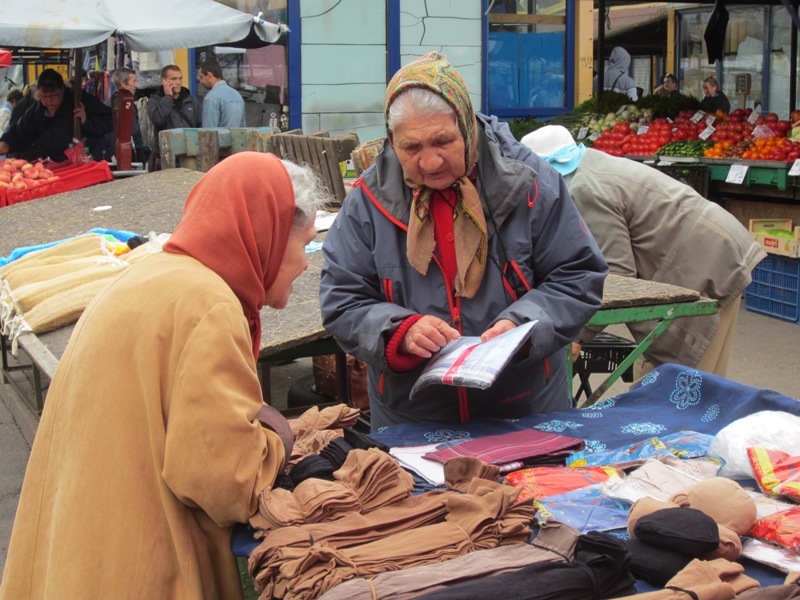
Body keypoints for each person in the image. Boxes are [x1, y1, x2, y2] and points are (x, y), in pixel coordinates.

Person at [0, 152, 327, 599]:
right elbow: (229, 482)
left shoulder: (157, 274)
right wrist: (278, 435)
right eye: (303, 242)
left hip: (80, 546)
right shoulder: (208, 305)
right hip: (142, 565)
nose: (306, 263)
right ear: (267, 231)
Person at [319, 52, 607, 431]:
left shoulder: (529, 182)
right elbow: (342, 298)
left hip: (524, 411)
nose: (430, 162)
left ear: (469, 126)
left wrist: (522, 328)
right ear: (391, 141)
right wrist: (398, 332)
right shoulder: (368, 201)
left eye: (443, 141)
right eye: (412, 148)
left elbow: (578, 275)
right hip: (411, 416)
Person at [522, 125, 767, 380]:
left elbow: (615, 272)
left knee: (682, 388)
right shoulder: (589, 165)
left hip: (710, 259)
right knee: (682, 384)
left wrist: (579, 335)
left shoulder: (583, 189)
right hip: (709, 250)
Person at [0, 69, 113, 162]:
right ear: (38, 92)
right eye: (44, 96)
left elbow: (111, 120)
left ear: (62, 90)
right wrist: (6, 143)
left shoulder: (79, 100)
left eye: (53, 96)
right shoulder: (38, 110)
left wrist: (87, 121)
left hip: (91, 160)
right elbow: (21, 131)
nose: (49, 101)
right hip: (59, 164)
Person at [146, 64, 202, 169]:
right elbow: (158, 120)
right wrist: (168, 97)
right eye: (174, 79)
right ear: (164, 80)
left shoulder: (192, 100)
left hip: (189, 154)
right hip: (166, 155)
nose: (178, 82)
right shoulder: (154, 101)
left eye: (180, 78)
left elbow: (200, 125)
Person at [108, 67, 150, 165]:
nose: (136, 85)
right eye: (134, 81)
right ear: (123, 83)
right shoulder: (125, 104)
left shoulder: (112, 102)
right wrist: (141, 158)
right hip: (127, 159)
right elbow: (135, 133)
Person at [198, 59, 247, 128]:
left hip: (220, 138)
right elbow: (242, 129)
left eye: (201, 77)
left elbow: (208, 132)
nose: (200, 81)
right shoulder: (237, 95)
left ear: (209, 74)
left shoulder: (211, 97)